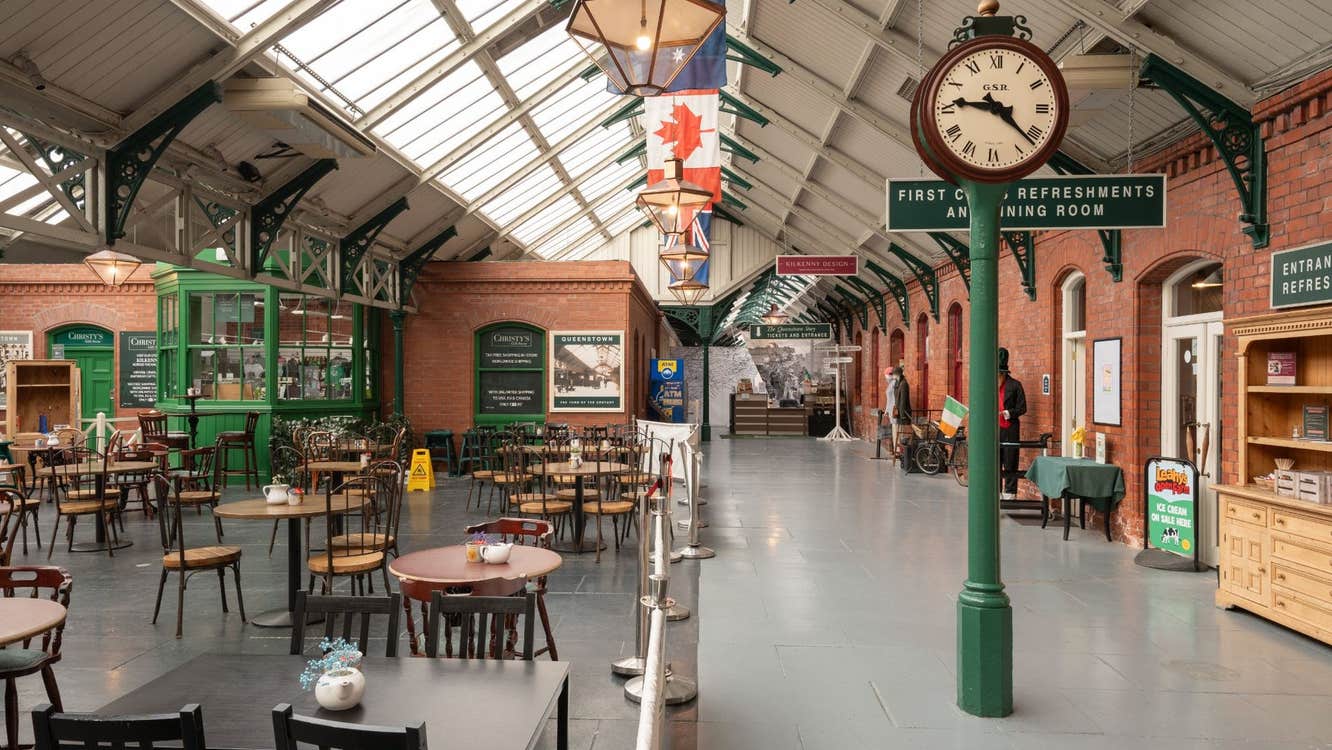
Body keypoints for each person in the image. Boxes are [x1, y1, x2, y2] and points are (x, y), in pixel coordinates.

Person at [998, 347, 1028, 499]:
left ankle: (1010, 494)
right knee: (995, 462)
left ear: (1003, 373)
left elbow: (1022, 408)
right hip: (994, 429)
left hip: (1010, 429)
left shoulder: (1015, 385)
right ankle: (995, 493)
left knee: (1010, 461)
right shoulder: (989, 386)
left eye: (998, 374)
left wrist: (1009, 413)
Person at [891, 366, 913, 458]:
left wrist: (903, 415)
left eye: (894, 374)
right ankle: (900, 452)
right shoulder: (899, 383)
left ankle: (902, 453)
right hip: (899, 413)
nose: (893, 376)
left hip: (903, 414)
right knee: (899, 434)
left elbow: (903, 401)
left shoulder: (903, 384)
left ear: (898, 375)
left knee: (903, 434)